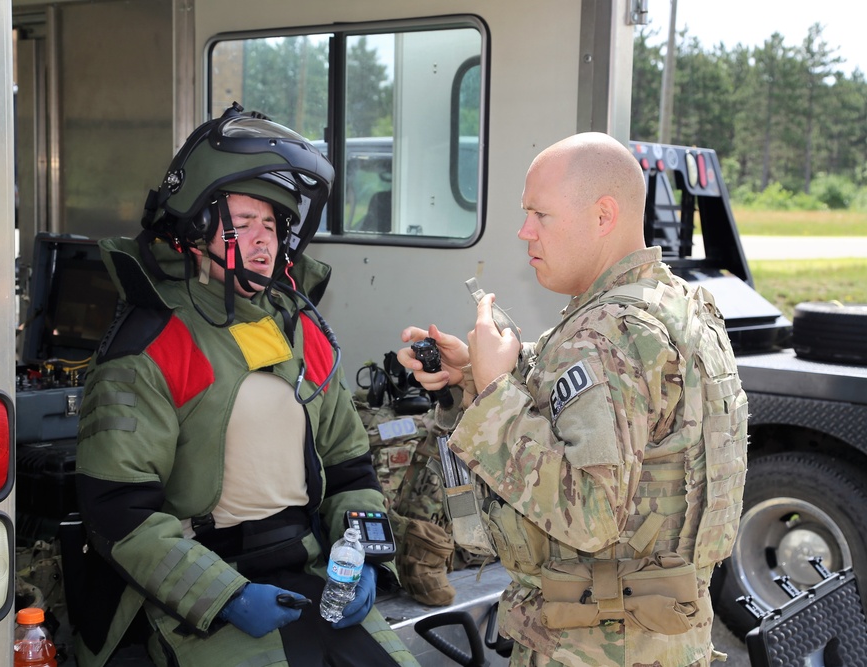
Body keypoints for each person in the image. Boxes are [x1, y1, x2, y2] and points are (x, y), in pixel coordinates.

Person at [74, 104, 419, 667]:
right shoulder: (151, 343)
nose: (262, 241)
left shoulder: (301, 327)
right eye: (243, 223)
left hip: (305, 571)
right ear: (195, 229)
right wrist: (225, 596)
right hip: (195, 592)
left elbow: (351, 468)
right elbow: (119, 510)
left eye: (272, 225)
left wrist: (369, 560)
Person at [397, 132, 748, 667]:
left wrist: (494, 395)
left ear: (603, 215)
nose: (524, 231)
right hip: (664, 638)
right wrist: (477, 374)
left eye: (541, 215)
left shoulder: (605, 334)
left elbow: (591, 513)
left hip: (593, 647)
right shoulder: (676, 308)